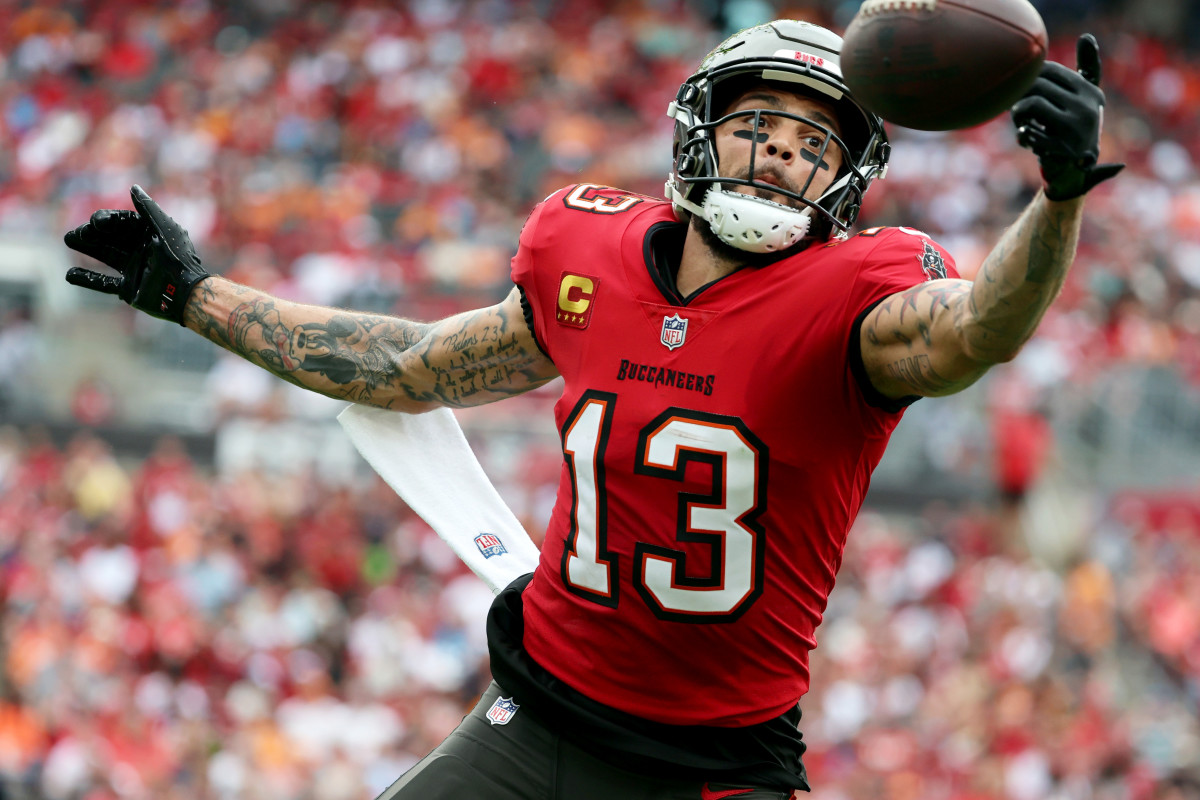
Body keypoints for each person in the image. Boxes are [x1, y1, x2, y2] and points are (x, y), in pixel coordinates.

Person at [63, 19, 1121, 800]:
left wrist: (1060, 192)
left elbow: (983, 324)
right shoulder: (588, 260)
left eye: (817, 142)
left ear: (849, 179)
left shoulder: (855, 302)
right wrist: (196, 298)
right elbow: (412, 364)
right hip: (540, 715)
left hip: (717, 761)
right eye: (760, 122)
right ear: (699, 134)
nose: (788, 152)